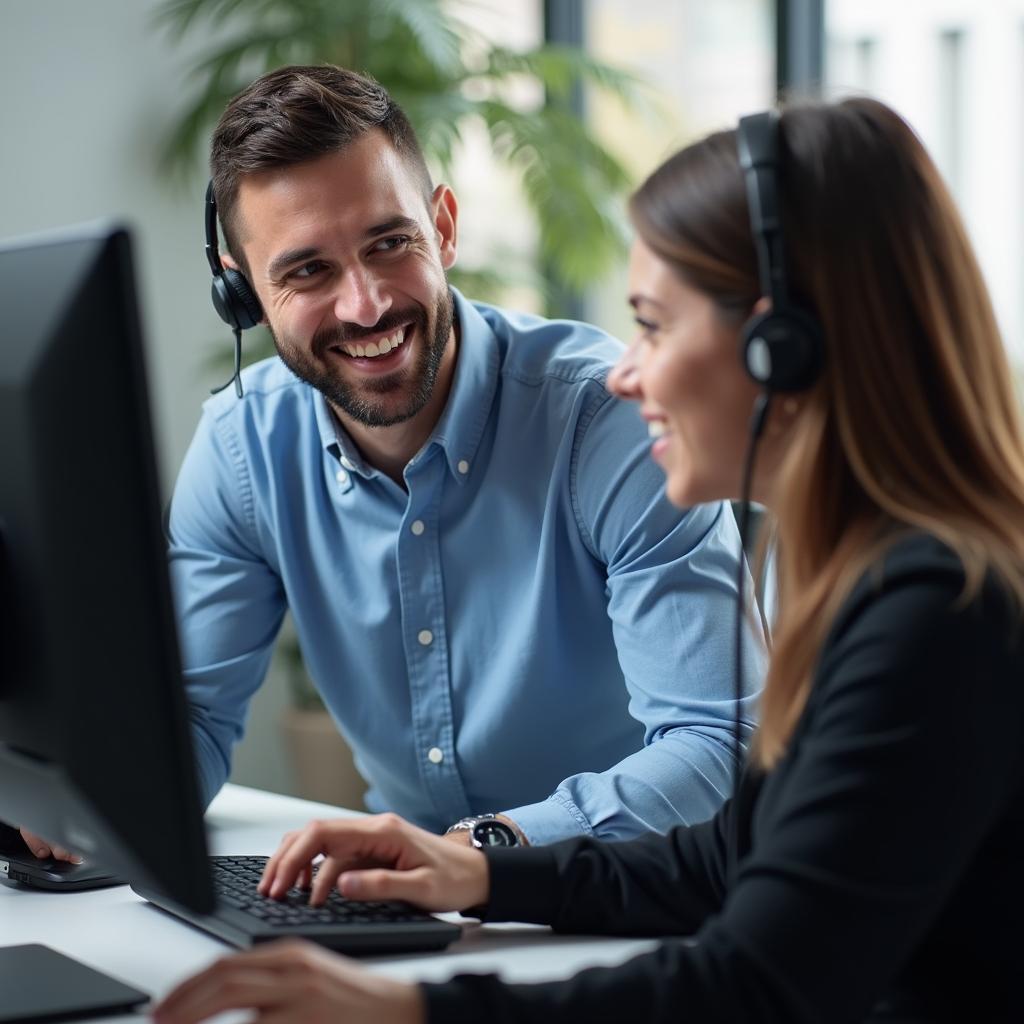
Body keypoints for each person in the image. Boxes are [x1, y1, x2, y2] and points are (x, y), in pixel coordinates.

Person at [154, 96, 1024, 1023]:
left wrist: (412, 1013)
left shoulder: (936, 611)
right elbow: (731, 856)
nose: (625, 370)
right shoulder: (868, 577)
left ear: (782, 350)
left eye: (652, 323)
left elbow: (756, 987)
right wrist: (481, 870)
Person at [14, 62, 759, 864]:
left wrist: (484, 854)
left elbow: (715, 741)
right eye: (307, 271)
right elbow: (185, 722)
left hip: (633, 893)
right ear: (243, 293)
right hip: (415, 908)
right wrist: (78, 802)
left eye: (389, 242)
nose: (365, 305)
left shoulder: (607, 418)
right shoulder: (243, 447)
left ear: (442, 227)